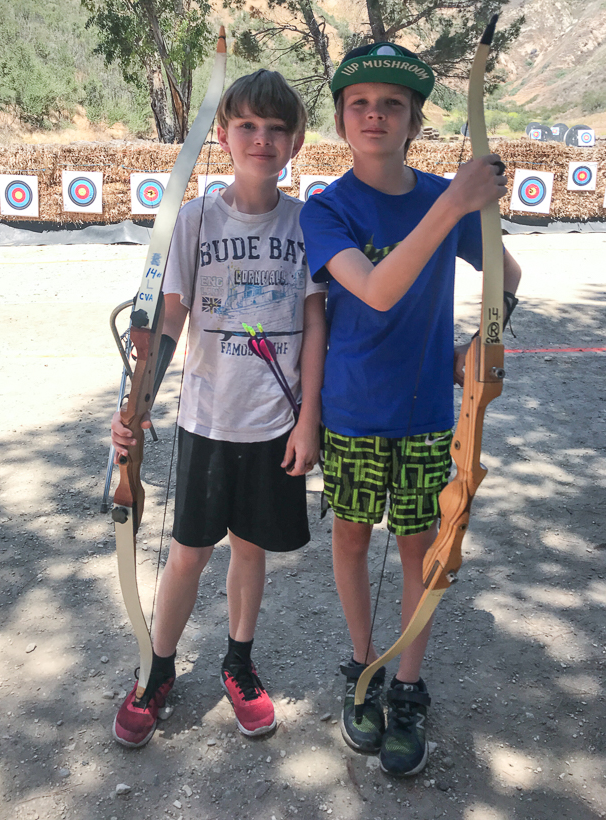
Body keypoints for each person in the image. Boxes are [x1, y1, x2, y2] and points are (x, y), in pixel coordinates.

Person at [300, 42, 521, 777]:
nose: (375, 115)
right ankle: (362, 666)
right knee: (351, 540)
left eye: (392, 104)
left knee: (419, 549)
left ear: (414, 122)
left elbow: (507, 272)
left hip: (427, 415)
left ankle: (405, 684)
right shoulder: (326, 209)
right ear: (341, 120)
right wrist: (454, 202)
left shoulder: (440, 195)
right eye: (360, 104)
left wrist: (482, 341)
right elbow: (375, 290)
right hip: (352, 412)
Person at [111, 69, 327, 748]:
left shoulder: (307, 222)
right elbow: (170, 319)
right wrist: (137, 406)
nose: (262, 139)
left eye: (276, 128)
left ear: (295, 142)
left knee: (250, 549)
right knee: (188, 552)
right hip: (207, 419)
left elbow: (314, 321)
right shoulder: (197, 218)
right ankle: (157, 668)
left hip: (275, 421)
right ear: (225, 136)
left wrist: (308, 419)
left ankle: (238, 661)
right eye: (246, 126)